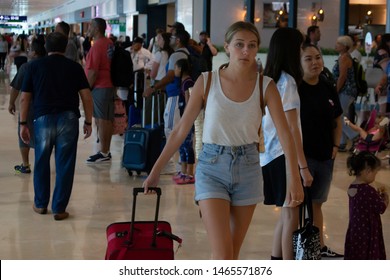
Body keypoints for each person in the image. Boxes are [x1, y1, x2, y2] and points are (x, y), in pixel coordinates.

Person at [143, 21, 303, 260]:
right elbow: (179, 130)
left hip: (248, 168)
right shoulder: (207, 81)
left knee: (231, 254)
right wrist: (155, 171)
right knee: (223, 254)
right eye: (239, 45)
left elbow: (286, 135)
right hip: (211, 167)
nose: (246, 51)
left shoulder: (266, 85)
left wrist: (294, 178)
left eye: (252, 45)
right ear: (227, 47)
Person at [19, 32, 93, 221]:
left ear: (46, 47)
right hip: (68, 120)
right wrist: (88, 121)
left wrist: (22, 123)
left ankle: (41, 204)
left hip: (42, 119)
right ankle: (59, 208)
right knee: (65, 164)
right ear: (65, 46)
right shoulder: (75, 68)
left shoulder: (34, 66)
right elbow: (86, 96)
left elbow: (25, 98)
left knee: (41, 161)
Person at [261, 27, 313, 260]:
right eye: (301, 47)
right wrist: (302, 167)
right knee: (291, 216)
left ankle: (275, 261)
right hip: (284, 155)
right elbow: (292, 130)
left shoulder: (268, 79)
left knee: (285, 214)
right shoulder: (288, 82)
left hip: (269, 156)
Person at [299, 43, 344, 258]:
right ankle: (297, 249)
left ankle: (319, 248)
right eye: (308, 59)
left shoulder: (327, 85)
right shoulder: (296, 89)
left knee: (318, 204)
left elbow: (338, 117)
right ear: (300, 63)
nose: (315, 62)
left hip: (326, 155)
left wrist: (336, 146)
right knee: (297, 206)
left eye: (317, 57)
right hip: (303, 157)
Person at [8, 38, 46, 174]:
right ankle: (41, 164)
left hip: (28, 107)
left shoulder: (26, 66)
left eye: (30, 49)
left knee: (24, 135)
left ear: (35, 53)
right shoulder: (49, 65)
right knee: (43, 136)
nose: (28, 52)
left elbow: (15, 87)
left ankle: (25, 164)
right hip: (46, 107)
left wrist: (11, 102)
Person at [345, 152, 388, 259]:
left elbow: (363, 202)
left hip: (355, 228)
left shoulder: (352, 187)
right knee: (368, 251)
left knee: (357, 251)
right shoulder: (369, 190)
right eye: (375, 173)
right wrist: (386, 199)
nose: (375, 176)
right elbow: (381, 208)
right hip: (368, 229)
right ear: (368, 171)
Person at [85, 18, 116, 163]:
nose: (88, 29)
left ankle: (103, 152)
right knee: (107, 119)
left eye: (90, 26)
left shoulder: (97, 46)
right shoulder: (109, 43)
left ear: (97, 29)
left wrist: (86, 89)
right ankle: (106, 150)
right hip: (109, 85)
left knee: (102, 120)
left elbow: (92, 72)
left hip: (100, 87)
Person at [332, 35, 358, 152]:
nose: (336, 45)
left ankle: (354, 136)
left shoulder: (344, 58)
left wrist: (335, 91)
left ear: (344, 46)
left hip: (346, 91)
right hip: (348, 91)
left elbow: (342, 77)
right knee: (342, 115)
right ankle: (342, 142)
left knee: (338, 115)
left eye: (338, 43)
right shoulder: (344, 56)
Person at [172, 58, 195, 185]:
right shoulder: (183, 82)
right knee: (181, 146)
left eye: (175, 68)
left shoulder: (188, 83)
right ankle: (183, 171)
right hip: (183, 119)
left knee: (187, 146)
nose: (174, 70)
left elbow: (189, 102)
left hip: (187, 119)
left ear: (180, 69)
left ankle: (190, 173)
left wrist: (186, 119)